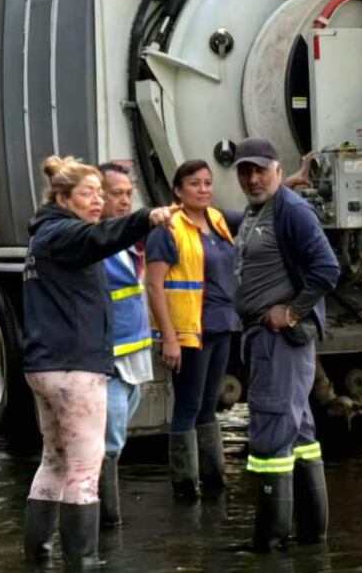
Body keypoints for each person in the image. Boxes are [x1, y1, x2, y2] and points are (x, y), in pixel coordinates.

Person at [21, 156, 175, 567]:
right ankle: (83, 561)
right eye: (87, 193)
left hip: (45, 366)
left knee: (53, 460)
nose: (96, 201)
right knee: (85, 470)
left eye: (98, 193)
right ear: (62, 197)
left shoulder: (44, 236)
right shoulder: (67, 235)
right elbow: (102, 238)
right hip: (75, 368)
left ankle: (37, 554)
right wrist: (147, 218)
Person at [231, 138, 340, 551]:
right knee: (298, 434)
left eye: (261, 169)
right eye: (245, 170)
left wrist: (291, 312)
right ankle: (312, 541)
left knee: (271, 438)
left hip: (280, 338)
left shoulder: (290, 211)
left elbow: (327, 269)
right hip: (266, 339)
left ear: (276, 169)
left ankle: (269, 545)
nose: (253, 178)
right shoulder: (264, 207)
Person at [145, 160, 241, 499]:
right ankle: (185, 487)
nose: (203, 189)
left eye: (207, 183)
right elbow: (154, 286)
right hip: (189, 331)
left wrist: (289, 181)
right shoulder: (167, 228)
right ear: (178, 190)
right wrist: (168, 338)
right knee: (188, 403)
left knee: (209, 404)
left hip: (221, 325)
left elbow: (263, 208)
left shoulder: (217, 220)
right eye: (195, 184)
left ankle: (214, 482)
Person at [95, 162, 154, 528]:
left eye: (129, 194)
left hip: (136, 352)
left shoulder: (127, 239)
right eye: (116, 193)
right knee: (110, 442)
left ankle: (103, 515)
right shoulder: (93, 241)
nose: (125, 200)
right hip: (110, 357)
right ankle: (103, 520)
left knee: (118, 434)